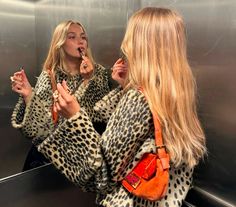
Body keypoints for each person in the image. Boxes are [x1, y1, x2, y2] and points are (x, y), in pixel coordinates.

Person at [37, 7, 206, 207]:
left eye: (131, 36)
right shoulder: (178, 90)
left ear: (140, 45)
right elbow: (139, 140)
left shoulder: (138, 98)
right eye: (71, 37)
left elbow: (100, 178)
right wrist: (126, 87)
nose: (126, 44)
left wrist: (75, 119)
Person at [10, 20, 111, 170]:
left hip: (86, 156)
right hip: (56, 157)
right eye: (72, 37)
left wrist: (88, 80)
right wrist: (28, 94)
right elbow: (42, 129)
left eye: (83, 37)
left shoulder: (99, 72)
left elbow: (102, 115)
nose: (80, 41)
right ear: (60, 43)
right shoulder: (50, 76)